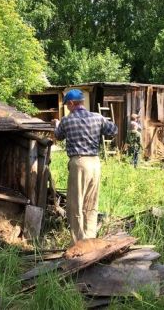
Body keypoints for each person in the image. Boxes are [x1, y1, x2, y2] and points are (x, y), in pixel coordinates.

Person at [52, 89, 117, 243]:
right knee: (91, 202)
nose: (67, 108)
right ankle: (90, 238)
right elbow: (113, 130)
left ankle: (79, 242)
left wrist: (56, 124)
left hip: (79, 162)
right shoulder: (97, 117)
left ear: (72, 103)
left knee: (75, 204)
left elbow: (58, 136)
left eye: (67, 105)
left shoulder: (67, 120)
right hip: (95, 162)